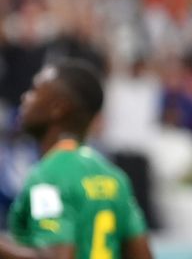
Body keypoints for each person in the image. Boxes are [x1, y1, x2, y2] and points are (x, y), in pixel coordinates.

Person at [0, 59, 153, 259]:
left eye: (34, 90)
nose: (25, 97)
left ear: (58, 108)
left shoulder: (48, 175)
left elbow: (56, 257)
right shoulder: (114, 177)